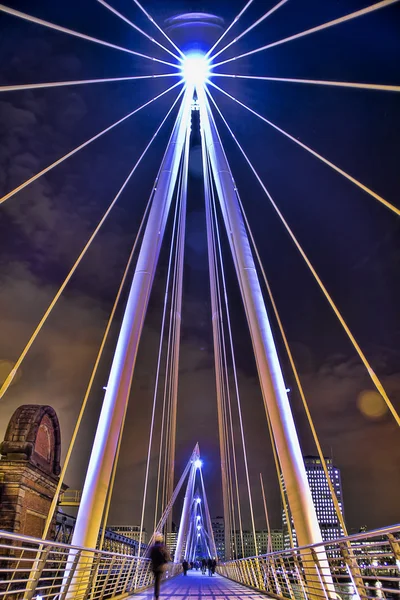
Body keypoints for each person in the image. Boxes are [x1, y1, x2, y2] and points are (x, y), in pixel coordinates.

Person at [149, 533, 171, 599]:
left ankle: (156, 594)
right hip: (161, 566)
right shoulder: (163, 547)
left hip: (154, 566)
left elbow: (150, 556)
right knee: (158, 580)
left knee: (156, 580)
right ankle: (157, 595)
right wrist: (165, 562)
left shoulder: (152, 547)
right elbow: (167, 556)